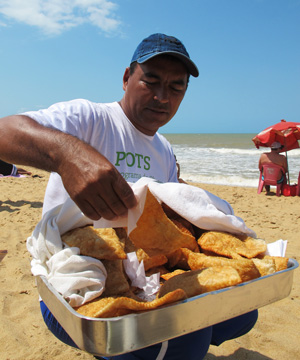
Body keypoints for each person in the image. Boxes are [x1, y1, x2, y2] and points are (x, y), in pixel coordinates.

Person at [0, 33, 257, 360]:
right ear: (126, 78)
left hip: (142, 282)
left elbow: (166, 222)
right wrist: (67, 155)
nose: (162, 97)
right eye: (151, 81)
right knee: (189, 338)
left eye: (176, 88)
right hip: (74, 285)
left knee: (241, 314)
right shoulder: (89, 119)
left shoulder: (163, 149)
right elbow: (4, 131)